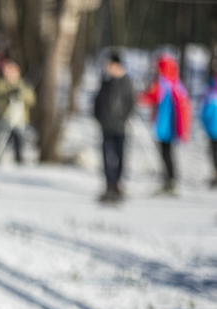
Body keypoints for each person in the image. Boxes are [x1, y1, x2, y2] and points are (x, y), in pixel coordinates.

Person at [138, 54, 191, 194]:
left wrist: (140, 96)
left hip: (163, 126)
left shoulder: (161, 83)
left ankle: (169, 179)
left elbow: (149, 97)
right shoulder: (177, 84)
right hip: (173, 126)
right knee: (169, 153)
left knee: (165, 153)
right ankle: (171, 178)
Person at [93, 51, 135, 203]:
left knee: (119, 156)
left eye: (109, 64)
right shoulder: (105, 81)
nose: (107, 67)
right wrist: (98, 116)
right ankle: (109, 185)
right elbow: (97, 100)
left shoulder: (126, 82)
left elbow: (130, 102)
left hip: (119, 126)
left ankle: (117, 184)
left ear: (116, 64)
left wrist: (123, 117)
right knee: (106, 155)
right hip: (105, 125)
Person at [0, 60, 36, 165]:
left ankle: (19, 161)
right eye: (5, 71)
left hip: (17, 120)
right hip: (3, 118)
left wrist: (21, 93)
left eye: (10, 71)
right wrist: (9, 92)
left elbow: (31, 99)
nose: (7, 74)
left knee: (18, 142)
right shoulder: (2, 84)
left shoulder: (23, 85)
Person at [200, 69, 217, 188]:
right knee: (213, 153)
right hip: (212, 129)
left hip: (212, 128)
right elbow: (203, 108)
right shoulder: (209, 90)